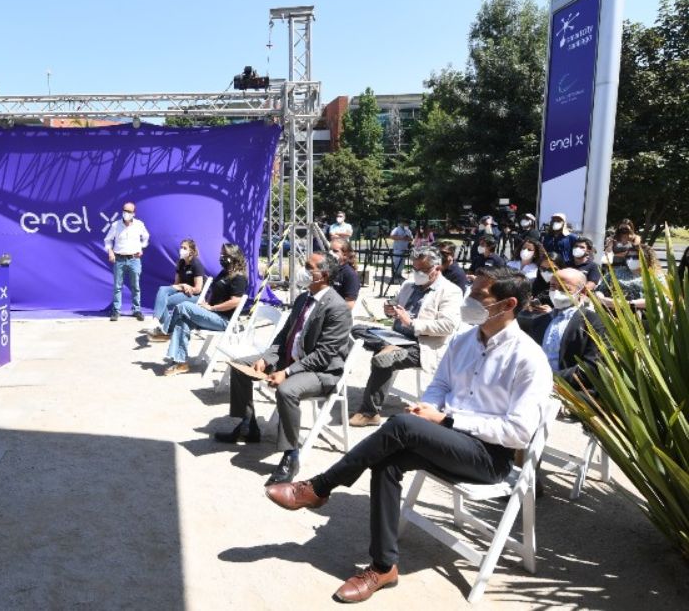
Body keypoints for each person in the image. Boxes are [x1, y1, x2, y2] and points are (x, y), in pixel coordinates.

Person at [264, 267, 551, 604]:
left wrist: (446, 418)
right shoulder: (463, 341)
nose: (469, 299)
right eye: (471, 290)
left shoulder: (528, 358)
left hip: (489, 457)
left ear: (508, 304)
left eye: (479, 295)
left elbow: (518, 432)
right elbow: (440, 386)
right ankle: (384, 566)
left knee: (401, 426)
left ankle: (319, 487)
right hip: (445, 438)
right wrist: (427, 410)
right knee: (387, 462)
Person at [214, 252, 352, 486]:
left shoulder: (337, 308)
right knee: (240, 367)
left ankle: (291, 455)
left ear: (324, 275)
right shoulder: (303, 298)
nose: (302, 270)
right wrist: (267, 359)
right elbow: (283, 335)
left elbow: (324, 355)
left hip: (321, 371)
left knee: (287, 390)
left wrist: (287, 372)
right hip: (291, 359)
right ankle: (248, 426)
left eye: (309, 267)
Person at [349, 247, 463, 426]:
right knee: (357, 329)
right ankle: (389, 347)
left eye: (423, 270)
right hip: (394, 337)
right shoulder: (408, 285)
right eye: (415, 268)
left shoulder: (451, 291)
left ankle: (369, 412)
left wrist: (411, 323)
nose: (417, 273)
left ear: (437, 268)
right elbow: (396, 308)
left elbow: (447, 326)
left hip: (422, 345)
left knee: (385, 359)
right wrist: (389, 310)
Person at [154, 243, 248, 376]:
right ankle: (181, 363)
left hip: (223, 320)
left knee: (183, 306)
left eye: (224, 255)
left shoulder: (239, 278)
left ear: (233, 257)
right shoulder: (225, 273)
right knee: (182, 321)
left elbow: (235, 301)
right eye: (221, 254)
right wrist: (207, 303)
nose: (221, 257)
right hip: (212, 314)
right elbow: (216, 291)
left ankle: (166, 331)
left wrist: (212, 307)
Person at [519, 268, 606, 393]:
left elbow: (592, 366)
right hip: (532, 388)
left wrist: (549, 380)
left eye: (564, 288)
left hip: (571, 394)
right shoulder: (539, 321)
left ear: (582, 292)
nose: (556, 292)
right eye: (553, 286)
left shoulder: (593, 322)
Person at [104, 201, 150, 322]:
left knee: (135, 286)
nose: (126, 213)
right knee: (117, 286)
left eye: (129, 211)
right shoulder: (115, 225)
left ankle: (136, 310)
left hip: (134, 259)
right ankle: (116, 311)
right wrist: (110, 252)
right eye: (124, 210)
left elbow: (146, 237)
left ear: (133, 213)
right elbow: (108, 240)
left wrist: (141, 247)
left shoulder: (139, 225)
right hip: (119, 259)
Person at [150, 238, 206, 335]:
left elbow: (198, 289)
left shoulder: (196, 264)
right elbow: (176, 284)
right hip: (183, 290)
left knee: (165, 301)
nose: (182, 250)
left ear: (191, 252)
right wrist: (183, 286)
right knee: (162, 290)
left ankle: (167, 328)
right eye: (181, 247)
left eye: (185, 248)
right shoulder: (180, 263)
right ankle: (157, 321)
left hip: (194, 295)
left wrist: (185, 287)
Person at [596, 243, 660, 311]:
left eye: (636, 257)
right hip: (612, 310)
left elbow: (659, 299)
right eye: (628, 257)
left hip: (642, 313)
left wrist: (629, 304)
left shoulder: (655, 276)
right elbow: (599, 290)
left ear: (646, 258)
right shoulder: (616, 272)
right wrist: (603, 299)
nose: (631, 259)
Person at [328, 239, 361, 310]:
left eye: (335, 251)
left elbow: (349, 303)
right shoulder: (330, 269)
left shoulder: (350, 274)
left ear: (345, 255)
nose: (330, 253)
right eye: (330, 250)